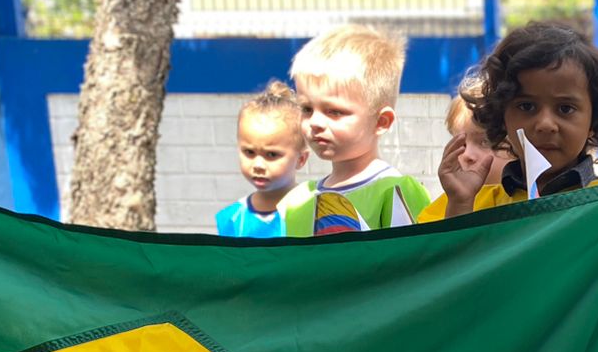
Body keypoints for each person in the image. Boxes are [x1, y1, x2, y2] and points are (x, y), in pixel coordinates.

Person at [430, 21, 598, 219]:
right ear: (501, 116)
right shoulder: (472, 202)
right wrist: (460, 204)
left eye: (565, 108)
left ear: (594, 120)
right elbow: (458, 251)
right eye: (527, 106)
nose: (545, 124)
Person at [280, 24, 429, 235]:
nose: (315, 122)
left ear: (381, 122)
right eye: (306, 108)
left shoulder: (395, 190)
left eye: (334, 111)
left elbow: (415, 262)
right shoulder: (296, 201)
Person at [214, 81, 310, 237]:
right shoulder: (232, 220)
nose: (258, 165)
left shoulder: (315, 212)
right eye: (249, 152)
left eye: (271, 154)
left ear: (301, 159)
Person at [415, 91, 511, 222]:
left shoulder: (531, 199)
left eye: (485, 142)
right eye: (461, 144)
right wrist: (458, 205)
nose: (467, 155)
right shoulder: (440, 210)